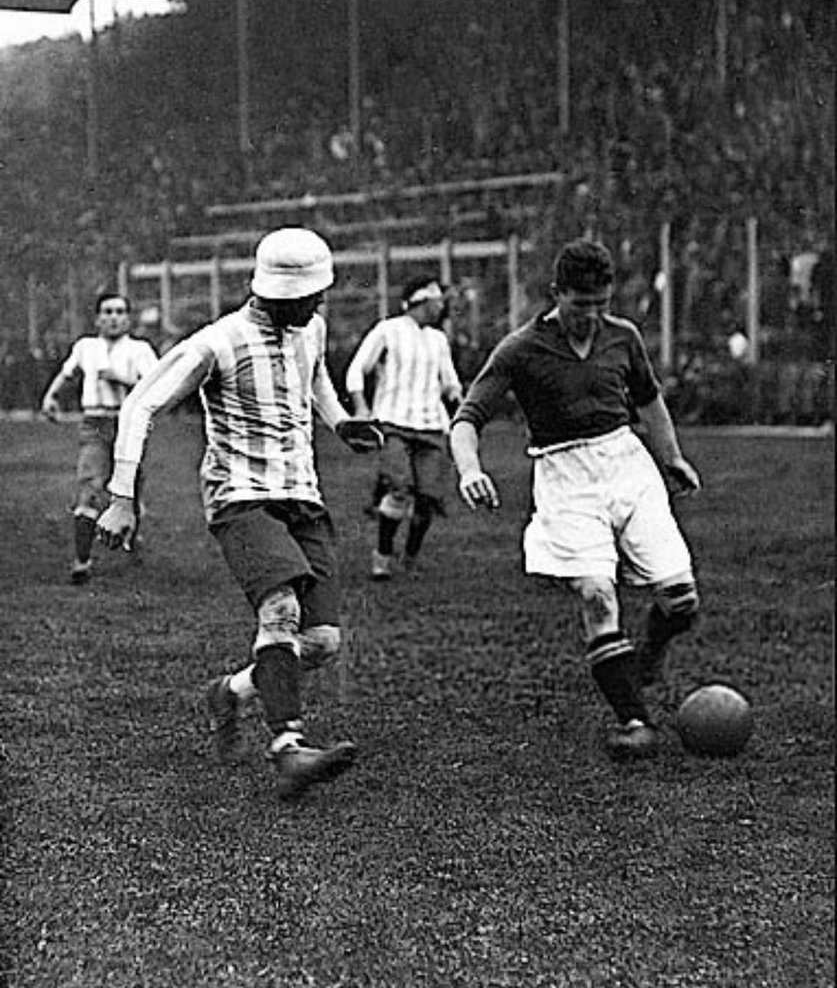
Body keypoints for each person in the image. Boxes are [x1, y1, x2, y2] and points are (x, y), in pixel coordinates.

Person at [96, 228, 384, 798]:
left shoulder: (311, 328)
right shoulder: (218, 342)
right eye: (311, 294)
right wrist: (122, 497)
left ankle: (229, 692)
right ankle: (289, 748)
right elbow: (141, 402)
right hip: (240, 497)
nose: (319, 303)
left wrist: (340, 422)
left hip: (303, 493)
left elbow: (316, 376)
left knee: (322, 641)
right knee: (279, 610)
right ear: (281, 292)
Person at [450, 238, 701, 760]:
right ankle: (634, 720)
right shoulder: (520, 348)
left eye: (600, 304)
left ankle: (650, 653)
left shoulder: (623, 337)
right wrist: (470, 469)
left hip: (626, 464)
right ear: (555, 294)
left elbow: (649, 402)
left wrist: (672, 458)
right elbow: (466, 420)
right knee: (595, 593)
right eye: (578, 304)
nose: (590, 316)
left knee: (681, 601)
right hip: (564, 474)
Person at [345, 276, 463, 580]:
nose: (441, 307)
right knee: (399, 488)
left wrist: (460, 402)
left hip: (432, 427)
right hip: (393, 423)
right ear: (421, 301)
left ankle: (410, 555)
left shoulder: (437, 339)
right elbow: (358, 368)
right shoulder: (388, 330)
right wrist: (361, 407)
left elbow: (450, 382)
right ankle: (382, 556)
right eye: (438, 301)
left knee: (428, 498)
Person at [41, 292, 158, 584]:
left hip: (129, 423)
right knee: (90, 485)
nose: (113, 317)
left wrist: (119, 378)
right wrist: (51, 396)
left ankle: (132, 534)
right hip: (94, 422)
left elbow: (156, 387)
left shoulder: (140, 350)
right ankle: (81, 560)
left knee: (129, 486)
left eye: (119, 312)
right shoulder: (86, 347)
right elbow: (68, 373)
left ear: (128, 318)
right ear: (97, 318)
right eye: (107, 312)